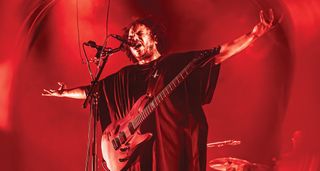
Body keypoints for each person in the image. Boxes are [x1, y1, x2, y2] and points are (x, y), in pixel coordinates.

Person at [43, 10, 275, 171]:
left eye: (139, 34)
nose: (133, 39)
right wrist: (65, 93)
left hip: (167, 151)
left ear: (154, 37)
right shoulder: (125, 76)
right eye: (130, 37)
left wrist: (254, 34)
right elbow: (95, 92)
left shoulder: (174, 64)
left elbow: (218, 53)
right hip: (135, 155)